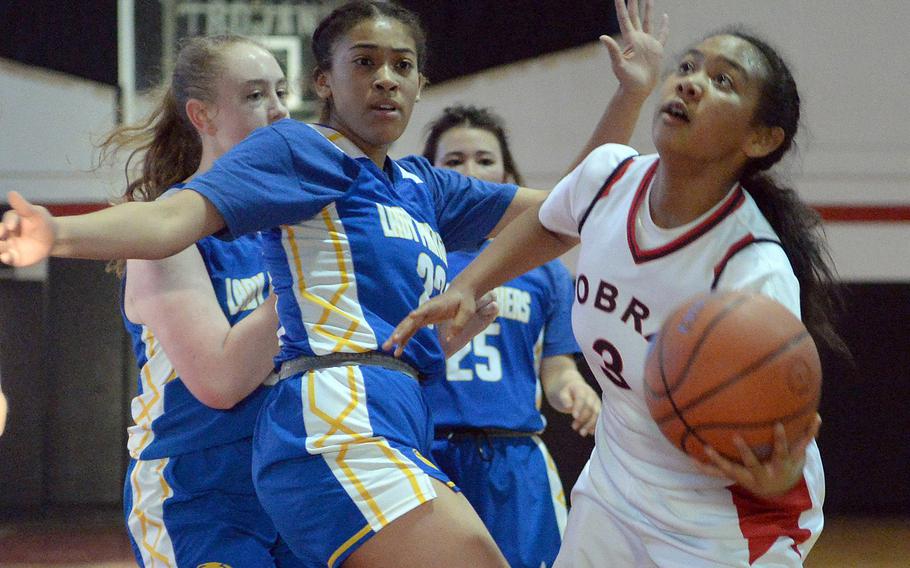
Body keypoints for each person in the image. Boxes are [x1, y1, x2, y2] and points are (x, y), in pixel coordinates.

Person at [0, 1, 661, 565]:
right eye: (365, 63)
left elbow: (568, 212)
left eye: (402, 66)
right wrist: (58, 234)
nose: (385, 80)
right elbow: (174, 225)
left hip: (381, 424)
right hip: (283, 445)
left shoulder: (419, 188)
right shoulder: (306, 157)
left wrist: (631, 94)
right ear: (328, 81)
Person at [387, 13, 848, 568]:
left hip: (724, 516)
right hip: (618, 483)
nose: (690, 82)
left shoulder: (751, 266)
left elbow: (774, 423)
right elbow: (552, 223)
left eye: (723, 81)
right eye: (688, 66)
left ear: (761, 138)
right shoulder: (608, 176)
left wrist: (779, 475)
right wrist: (468, 284)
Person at [97, 35, 303, 567]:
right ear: (202, 115)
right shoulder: (164, 231)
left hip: (296, 478)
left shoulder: (299, 226)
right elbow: (220, 380)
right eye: (256, 95)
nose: (279, 110)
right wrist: (309, 281)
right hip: (200, 489)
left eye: (281, 92)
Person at [422, 104, 601, 568]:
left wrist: (575, 391)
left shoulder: (543, 270)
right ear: (432, 176)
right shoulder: (412, 257)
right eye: (454, 161)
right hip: (426, 452)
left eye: (484, 159)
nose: (471, 170)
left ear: (507, 173)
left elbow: (557, 370)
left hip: (514, 458)